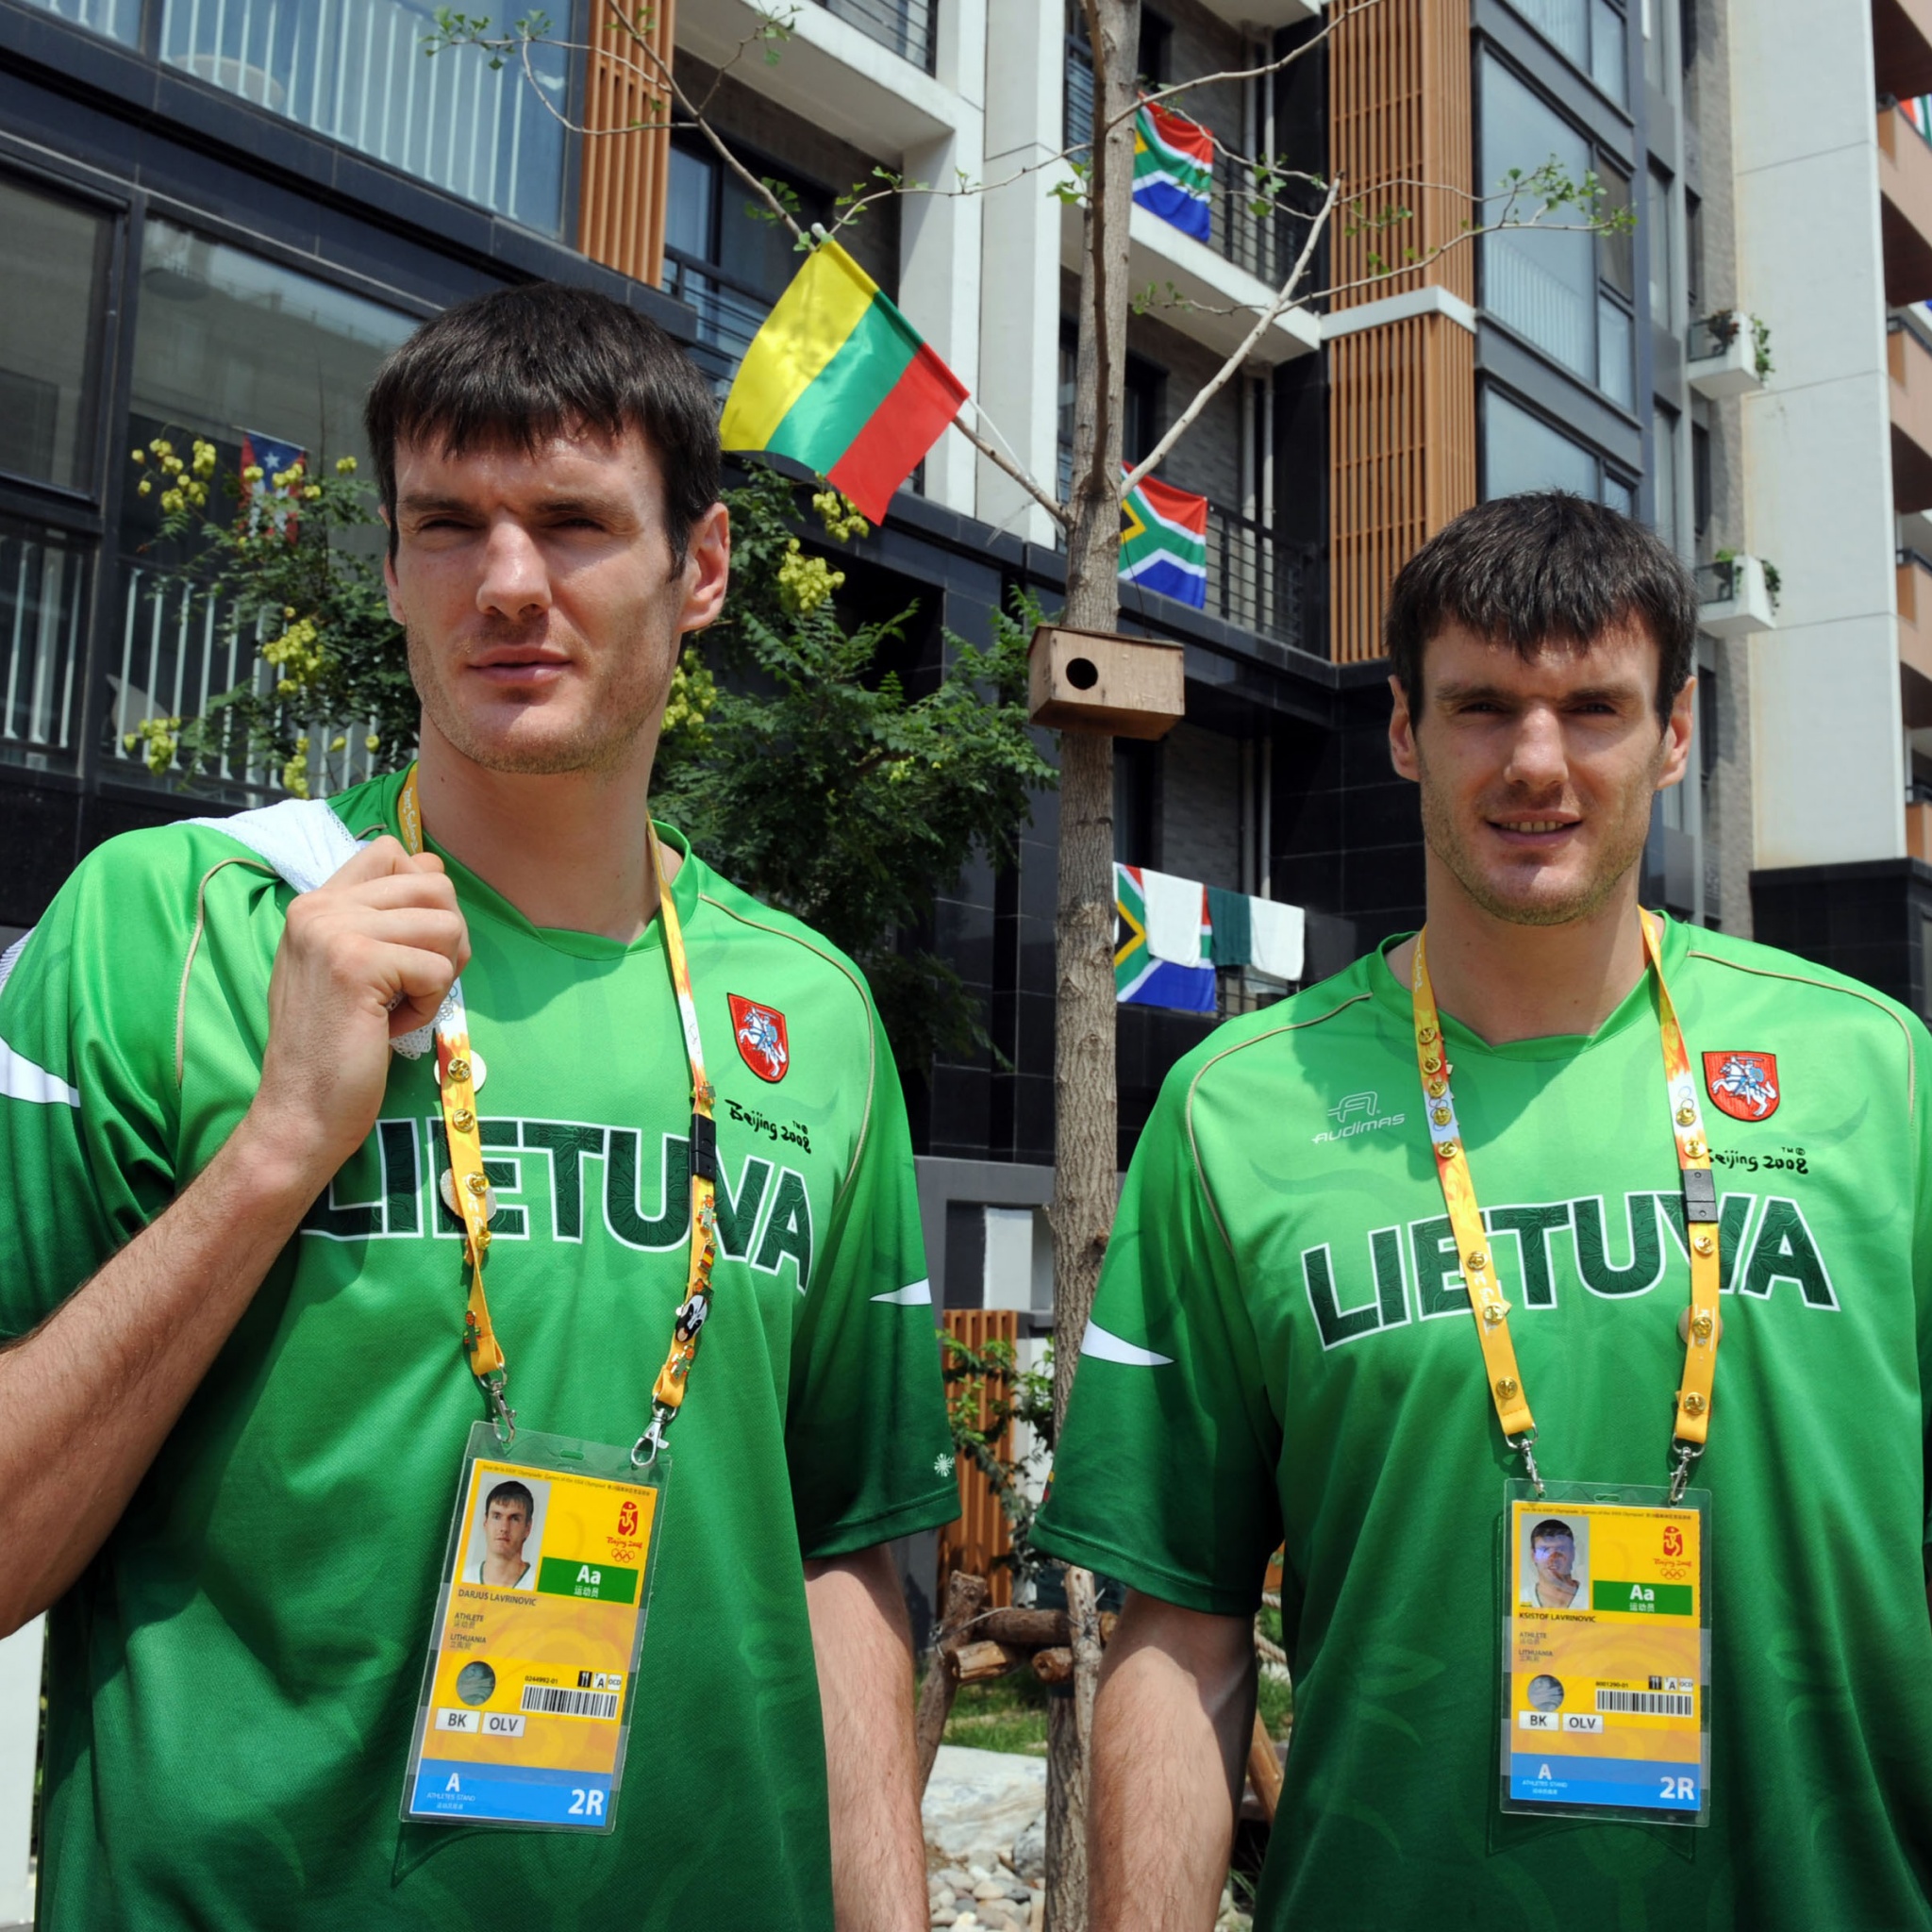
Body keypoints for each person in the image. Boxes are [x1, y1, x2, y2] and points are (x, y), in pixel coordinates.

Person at [0, 283, 958, 1929]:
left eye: (574, 524)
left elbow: (844, 1551)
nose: (507, 584)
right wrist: (279, 1150)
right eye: (448, 525)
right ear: (390, 568)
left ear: (702, 570)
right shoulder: (165, 923)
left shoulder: (808, 1007)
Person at [1031, 493, 1932, 1930]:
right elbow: (1183, 1636)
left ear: (1675, 733)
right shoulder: (1235, 1113)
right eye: (1481, 708)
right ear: (1401, 729)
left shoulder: (1878, 1075)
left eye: (1592, 709)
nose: (1534, 762)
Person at [469, 1479, 539, 1590]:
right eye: (497, 1516)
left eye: (515, 1519)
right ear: (485, 1522)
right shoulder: (463, 1578)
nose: (504, 1528)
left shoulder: (539, 1586)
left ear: (527, 1528)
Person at [1521, 1517, 1580, 1610]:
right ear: (1533, 1555)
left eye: (1561, 1549)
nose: (1552, 1558)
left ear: (1572, 1553)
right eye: (1544, 1550)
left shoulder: (1594, 1599)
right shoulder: (1519, 1600)